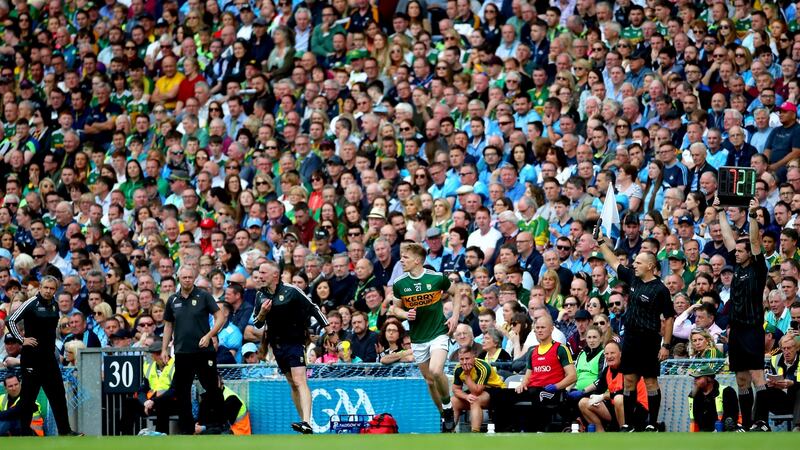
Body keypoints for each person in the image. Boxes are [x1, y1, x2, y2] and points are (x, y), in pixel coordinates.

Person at [596, 223, 674, 432]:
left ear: (650, 266)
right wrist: (601, 242)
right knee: (628, 380)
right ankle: (629, 423)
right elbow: (613, 262)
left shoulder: (660, 289)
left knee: (650, 382)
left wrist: (665, 345)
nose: (634, 264)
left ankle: (651, 423)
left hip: (648, 339)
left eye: (638, 262)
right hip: (630, 338)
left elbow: (669, 318)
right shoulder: (632, 277)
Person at [252, 260, 328, 434]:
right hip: (277, 345)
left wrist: (328, 329)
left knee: (300, 380)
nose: (260, 276)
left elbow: (313, 307)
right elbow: (257, 323)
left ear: (275, 275)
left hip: (294, 342)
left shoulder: (291, 291)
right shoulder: (260, 295)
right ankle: (304, 423)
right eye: (259, 273)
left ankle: (307, 422)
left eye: (263, 273)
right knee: (293, 383)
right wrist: (263, 313)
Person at [391, 242, 459, 432]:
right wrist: (405, 315)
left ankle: (447, 408)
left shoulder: (436, 278)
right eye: (401, 257)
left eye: (405, 257)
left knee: (437, 371)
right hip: (418, 338)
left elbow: (457, 292)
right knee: (429, 380)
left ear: (418, 260)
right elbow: (395, 308)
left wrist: (454, 316)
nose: (402, 260)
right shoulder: (400, 283)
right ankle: (444, 416)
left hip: (438, 333)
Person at [715, 196, 769, 431]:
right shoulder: (736, 267)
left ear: (750, 253)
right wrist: (719, 212)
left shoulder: (758, 267)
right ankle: (745, 424)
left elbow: (755, 240)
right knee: (741, 380)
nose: (735, 254)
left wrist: (754, 214)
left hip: (753, 329)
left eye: (740, 251)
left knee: (758, 377)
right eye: (735, 251)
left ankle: (762, 422)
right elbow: (728, 237)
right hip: (736, 331)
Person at [6, 275, 80, 436]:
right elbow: (10, 320)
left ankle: (65, 430)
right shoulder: (31, 303)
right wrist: (22, 340)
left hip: (48, 358)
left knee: (58, 395)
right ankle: (24, 432)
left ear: (55, 290)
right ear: (40, 287)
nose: (48, 291)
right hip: (31, 357)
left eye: (52, 288)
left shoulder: (54, 305)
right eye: (46, 287)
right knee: (28, 398)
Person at [161, 266, 228, 435]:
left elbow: (220, 317)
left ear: (195, 278)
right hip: (182, 352)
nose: (187, 280)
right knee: (182, 391)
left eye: (190, 277)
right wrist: (164, 348)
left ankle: (220, 424)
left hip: (203, 351)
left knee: (212, 387)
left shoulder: (204, 296)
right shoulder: (172, 300)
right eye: (184, 277)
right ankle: (187, 429)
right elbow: (168, 325)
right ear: (178, 277)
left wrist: (210, 335)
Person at [507, 314, 576, 432]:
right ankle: (505, 431)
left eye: (543, 327)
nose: (539, 330)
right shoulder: (533, 351)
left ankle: (539, 430)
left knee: (539, 395)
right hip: (533, 389)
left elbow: (572, 376)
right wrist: (522, 385)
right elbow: (527, 377)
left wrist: (556, 386)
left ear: (551, 329)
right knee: (504, 396)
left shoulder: (560, 349)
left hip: (552, 391)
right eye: (537, 328)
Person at [577, 341, 648, 432]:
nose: (609, 356)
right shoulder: (607, 370)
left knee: (619, 398)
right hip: (617, 407)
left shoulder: (629, 368)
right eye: (606, 354)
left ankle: (625, 431)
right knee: (583, 402)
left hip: (637, 408)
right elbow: (599, 390)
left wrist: (603, 396)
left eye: (612, 353)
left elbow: (625, 393)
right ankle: (601, 434)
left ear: (620, 354)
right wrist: (593, 397)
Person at [119, 340, 177, 435]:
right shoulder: (149, 367)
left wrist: (154, 401)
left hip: (171, 403)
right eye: (157, 354)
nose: (160, 356)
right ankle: (125, 436)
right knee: (129, 402)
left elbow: (174, 391)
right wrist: (145, 401)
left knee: (162, 403)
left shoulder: (175, 366)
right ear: (152, 356)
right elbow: (142, 390)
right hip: (150, 403)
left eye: (161, 352)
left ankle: (160, 435)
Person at [451, 346, 505, 433]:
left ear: (474, 357)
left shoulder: (483, 367)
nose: (464, 362)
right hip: (475, 389)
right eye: (461, 359)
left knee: (475, 400)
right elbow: (455, 390)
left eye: (467, 358)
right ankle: (450, 431)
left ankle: (475, 432)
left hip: (496, 390)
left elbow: (477, 391)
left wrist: (467, 375)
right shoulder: (458, 369)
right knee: (454, 401)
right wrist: (466, 396)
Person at [753, 335, 799, 431]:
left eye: (789, 348)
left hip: (797, 401)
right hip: (782, 400)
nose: (786, 352)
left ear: (796, 348)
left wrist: (793, 384)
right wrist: (771, 383)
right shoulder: (775, 359)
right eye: (784, 348)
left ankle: (798, 426)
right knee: (762, 387)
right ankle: (759, 424)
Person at [688, 365, 741, 432]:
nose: (695, 381)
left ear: (709, 379)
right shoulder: (694, 395)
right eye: (694, 378)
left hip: (724, 432)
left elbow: (731, 416)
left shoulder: (727, 391)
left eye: (698, 378)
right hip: (702, 434)